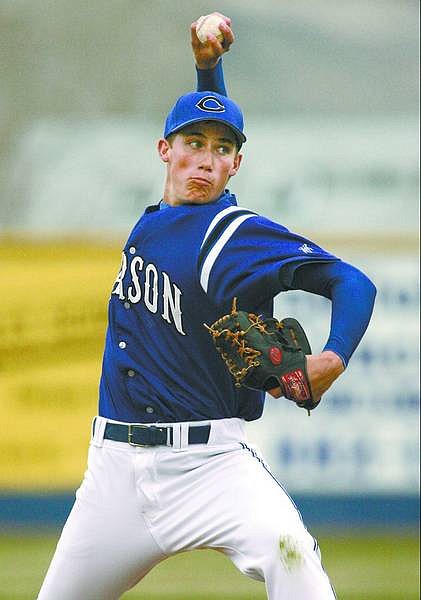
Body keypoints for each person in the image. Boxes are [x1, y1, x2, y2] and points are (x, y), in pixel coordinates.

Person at [38, 13, 376, 600]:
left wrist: (333, 358)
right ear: (164, 150)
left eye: (223, 151)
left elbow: (354, 283)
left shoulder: (234, 234)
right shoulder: (162, 221)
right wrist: (207, 67)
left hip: (209, 469)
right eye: (192, 144)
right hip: (113, 475)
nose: (206, 159)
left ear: (236, 166)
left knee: (292, 560)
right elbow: (209, 122)